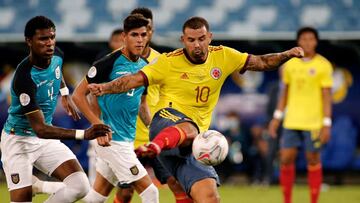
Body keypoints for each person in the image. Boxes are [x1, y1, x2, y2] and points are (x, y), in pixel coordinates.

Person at [88, 16, 304, 203]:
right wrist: (104, 87)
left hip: (195, 143)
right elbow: (133, 80)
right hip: (165, 123)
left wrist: (288, 54)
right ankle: (155, 146)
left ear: (210, 37)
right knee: (186, 128)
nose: (197, 45)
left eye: (201, 39)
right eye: (191, 40)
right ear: (183, 40)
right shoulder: (167, 62)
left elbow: (262, 62)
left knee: (208, 196)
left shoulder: (224, 56)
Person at [0, 15, 111, 203]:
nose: (49, 43)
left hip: (43, 140)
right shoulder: (24, 77)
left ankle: (39, 185)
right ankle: (37, 186)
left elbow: (56, 73)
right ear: (29, 41)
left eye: (52, 37)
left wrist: (65, 93)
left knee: (80, 186)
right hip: (19, 140)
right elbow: (41, 129)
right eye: (43, 39)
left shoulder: (57, 54)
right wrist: (84, 134)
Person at [72, 14, 159, 203]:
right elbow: (78, 95)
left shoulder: (145, 67)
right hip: (112, 141)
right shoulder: (107, 63)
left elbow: (142, 105)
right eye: (134, 35)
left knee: (95, 197)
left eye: (143, 35)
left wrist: (156, 132)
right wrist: (98, 126)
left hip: (127, 140)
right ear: (124, 37)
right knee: (151, 193)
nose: (140, 40)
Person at [112, 7, 193, 203]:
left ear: (151, 31)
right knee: (125, 191)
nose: (142, 35)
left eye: (146, 29)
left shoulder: (162, 60)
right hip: (127, 137)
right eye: (137, 31)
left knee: (175, 181)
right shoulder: (117, 61)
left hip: (155, 133)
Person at [268, 27, 333, 203]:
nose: (307, 42)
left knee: (313, 160)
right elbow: (285, 94)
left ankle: (314, 200)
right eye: (303, 39)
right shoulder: (289, 65)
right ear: (298, 42)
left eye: (310, 39)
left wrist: (326, 123)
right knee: (286, 158)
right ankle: (287, 200)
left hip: (313, 122)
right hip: (291, 121)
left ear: (316, 42)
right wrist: (277, 117)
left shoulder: (323, 65)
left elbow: (327, 96)